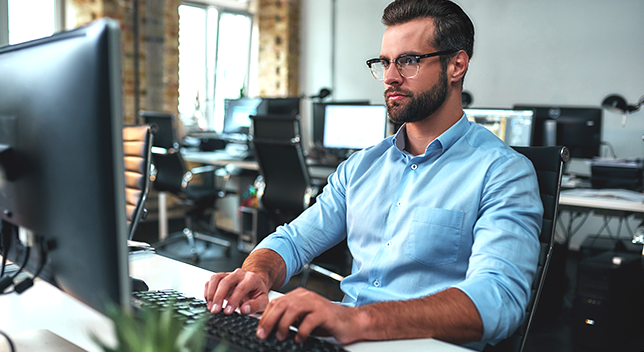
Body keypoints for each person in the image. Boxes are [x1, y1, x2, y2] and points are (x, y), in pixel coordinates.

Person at [204, 0, 543, 350]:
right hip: (343, 339)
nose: (391, 77)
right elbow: (292, 240)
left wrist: (356, 319)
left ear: (456, 65)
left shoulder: (503, 172)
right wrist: (256, 273)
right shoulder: (361, 166)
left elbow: (500, 300)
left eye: (409, 60)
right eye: (384, 62)